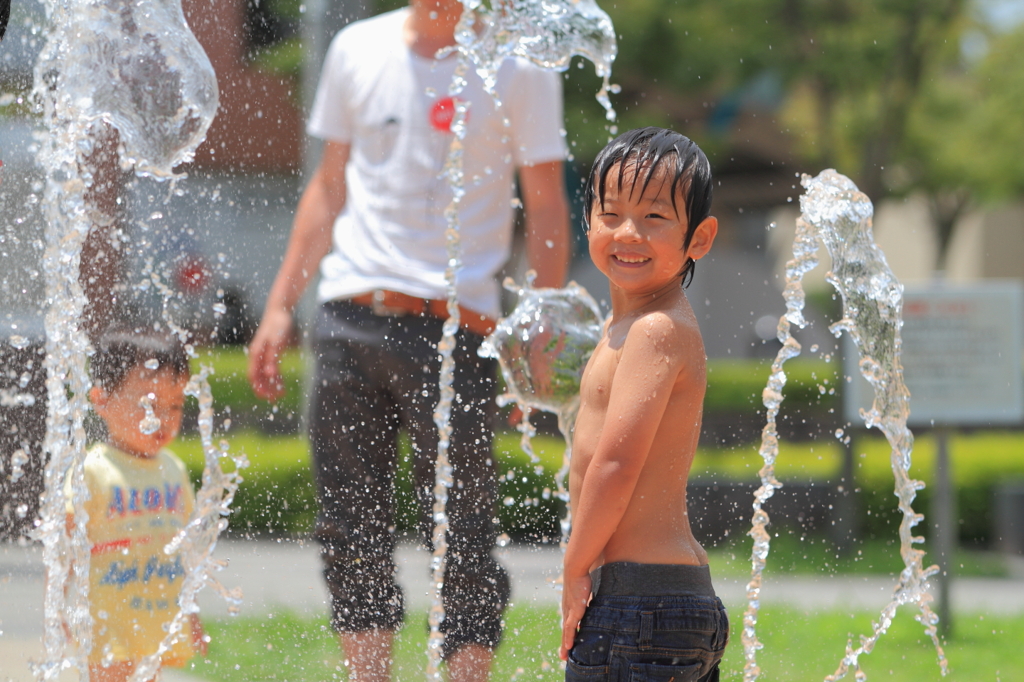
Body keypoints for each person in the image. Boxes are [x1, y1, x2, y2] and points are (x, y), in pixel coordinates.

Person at [246, 0, 570, 679]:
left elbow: (544, 200)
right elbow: (328, 187)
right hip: (348, 314)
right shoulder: (357, 48)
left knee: (463, 531)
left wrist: (541, 324)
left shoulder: (519, 64)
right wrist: (281, 305)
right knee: (347, 525)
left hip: (459, 328)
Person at [559, 127, 728, 682]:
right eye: (611, 214)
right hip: (665, 605)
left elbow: (616, 464)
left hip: (638, 607)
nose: (628, 232)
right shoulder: (630, 326)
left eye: (655, 217)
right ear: (588, 220)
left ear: (698, 239)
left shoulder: (655, 329)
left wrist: (575, 567)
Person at [68, 329, 205, 682]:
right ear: (101, 399)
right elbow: (64, 548)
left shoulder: (173, 469)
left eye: (175, 405)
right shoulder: (94, 471)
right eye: (148, 404)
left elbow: (186, 545)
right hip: (107, 618)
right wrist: (62, 611)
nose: (163, 417)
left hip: (157, 613)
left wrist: (190, 610)